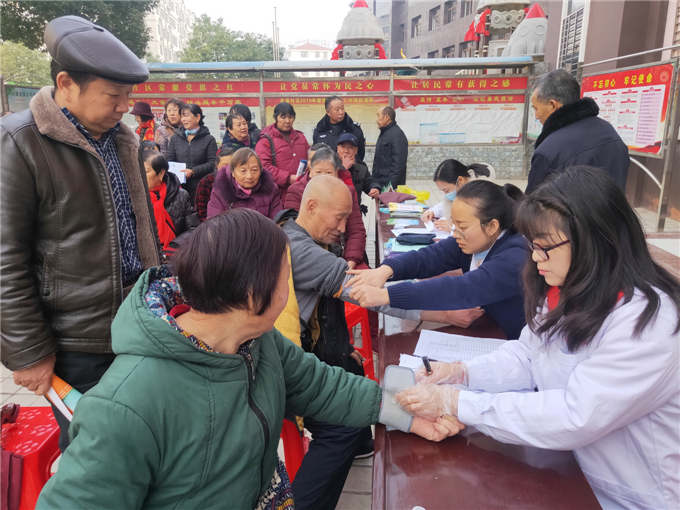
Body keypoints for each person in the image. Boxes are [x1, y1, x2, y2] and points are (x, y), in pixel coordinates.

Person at [36, 209, 464, 510]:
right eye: (286, 277)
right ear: (250, 294)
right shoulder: (124, 408)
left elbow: (319, 385)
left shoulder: (256, 341)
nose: (291, 290)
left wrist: (404, 411)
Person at [395, 167, 680, 509]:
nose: (534, 257)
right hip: (569, 471)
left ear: (594, 239)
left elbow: (576, 415)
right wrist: (461, 372)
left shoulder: (647, 322)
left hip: (629, 495)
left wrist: (457, 403)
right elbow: (528, 355)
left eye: (545, 247)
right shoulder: (568, 288)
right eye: (533, 245)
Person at [0, 15, 162, 451]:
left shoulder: (121, 140)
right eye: (113, 95)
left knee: (145, 447)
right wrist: (29, 352)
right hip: (76, 343)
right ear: (67, 83)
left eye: (128, 95)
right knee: (98, 456)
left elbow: (137, 231)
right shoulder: (20, 142)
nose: (124, 106)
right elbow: (5, 259)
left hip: (136, 326)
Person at [348, 180, 529, 340]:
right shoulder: (472, 242)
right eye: (453, 224)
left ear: (492, 226)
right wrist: (386, 270)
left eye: (462, 226)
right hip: (490, 331)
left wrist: (387, 295)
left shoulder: (516, 258)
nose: (455, 233)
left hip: (517, 345)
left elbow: (461, 288)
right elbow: (430, 256)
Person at [527, 69, 630, 194]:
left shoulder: (548, 151)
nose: (536, 116)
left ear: (553, 105)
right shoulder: (611, 133)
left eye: (536, 109)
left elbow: (532, 203)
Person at [284, 147, 366, 269]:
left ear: (336, 172)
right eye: (318, 172)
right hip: (308, 259)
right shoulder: (296, 191)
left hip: (341, 256)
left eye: (328, 172)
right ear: (310, 171)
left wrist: (350, 263)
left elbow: (356, 231)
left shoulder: (346, 193)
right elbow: (295, 233)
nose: (323, 177)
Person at [142, 150, 199, 257]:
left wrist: (175, 246)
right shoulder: (132, 197)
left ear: (161, 173)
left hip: (174, 255)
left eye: (145, 171)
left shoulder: (180, 196)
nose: (139, 175)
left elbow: (194, 228)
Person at [256, 102, 310, 204]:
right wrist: (288, 178)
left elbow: (310, 158)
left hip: (303, 191)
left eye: (290, 117)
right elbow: (264, 167)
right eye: (283, 117)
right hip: (279, 195)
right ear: (276, 118)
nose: (287, 121)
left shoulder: (300, 137)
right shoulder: (266, 140)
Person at [207, 148, 282, 220]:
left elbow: (278, 221)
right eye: (243, 171)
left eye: (254, 170)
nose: (249, 176)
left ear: (260, 170)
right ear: (233, 172)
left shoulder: (272, 189)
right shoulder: (220, 192)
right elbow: (216, 224)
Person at [422, 159, 495, 231]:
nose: (446, 194)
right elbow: (448, 204)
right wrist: (433, 211)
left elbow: (478, 227)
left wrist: (454, 228)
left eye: (446, 190)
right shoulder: (460, 187)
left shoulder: (480, 194)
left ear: (460, 180)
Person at [166, 103, 217, 204]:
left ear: (198, 117)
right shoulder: (175, 138)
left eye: (186, 115)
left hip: (201, 187)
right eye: (182, 116)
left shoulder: (209, 139)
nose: (183, 119)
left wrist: (193, 171)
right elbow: (169, 160)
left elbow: (212, 163)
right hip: (179, 188)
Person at [336, 132, 380, 213]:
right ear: (338, 149)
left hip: (355, 212)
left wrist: (375, 188)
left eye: (350, 147)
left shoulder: (361, 168)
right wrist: (343, 168)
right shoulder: (330, 165)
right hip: (335, 212)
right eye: (343, 147)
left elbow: (369, 182)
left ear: (356, 150)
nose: (346, 151)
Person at [312, 96, 366, 160]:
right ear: (328, 112)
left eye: (342, 108)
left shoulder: (354, 129)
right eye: (337, 109)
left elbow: (360, 155)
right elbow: (316, 155)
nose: (341, 112)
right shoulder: (319, 131)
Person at [372, 106, 409, 189]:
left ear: (386, 117)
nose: (377, 120)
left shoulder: (397, 135)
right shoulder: (384, 133)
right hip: (380, 183)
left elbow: (398, 165)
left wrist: (390, 187)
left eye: (378, 116)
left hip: (390, 186)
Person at [194, 146, 234, 222]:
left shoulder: (240, 181)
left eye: (232, 165)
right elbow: (200, 212)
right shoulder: (207, 181)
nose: (228, 168)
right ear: (217, 165)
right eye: (225, 165)